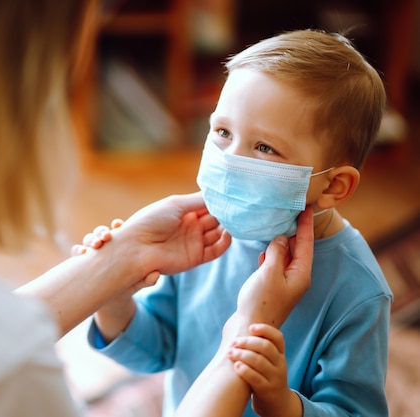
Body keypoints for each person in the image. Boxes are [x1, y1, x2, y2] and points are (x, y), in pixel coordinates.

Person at [0, 1, 314, 416]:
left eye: (264, 147)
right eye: (220, 133)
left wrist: (117, 262)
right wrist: (244, 338)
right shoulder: (2, 370)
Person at [88, 29, 393, 417]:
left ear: (334, 184)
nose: (230, 161)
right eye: (222, 132)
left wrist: (283, 405)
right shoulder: (202, 235)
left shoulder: (358, 291)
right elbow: (157, 349)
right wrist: (113, 298)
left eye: (264, 147)